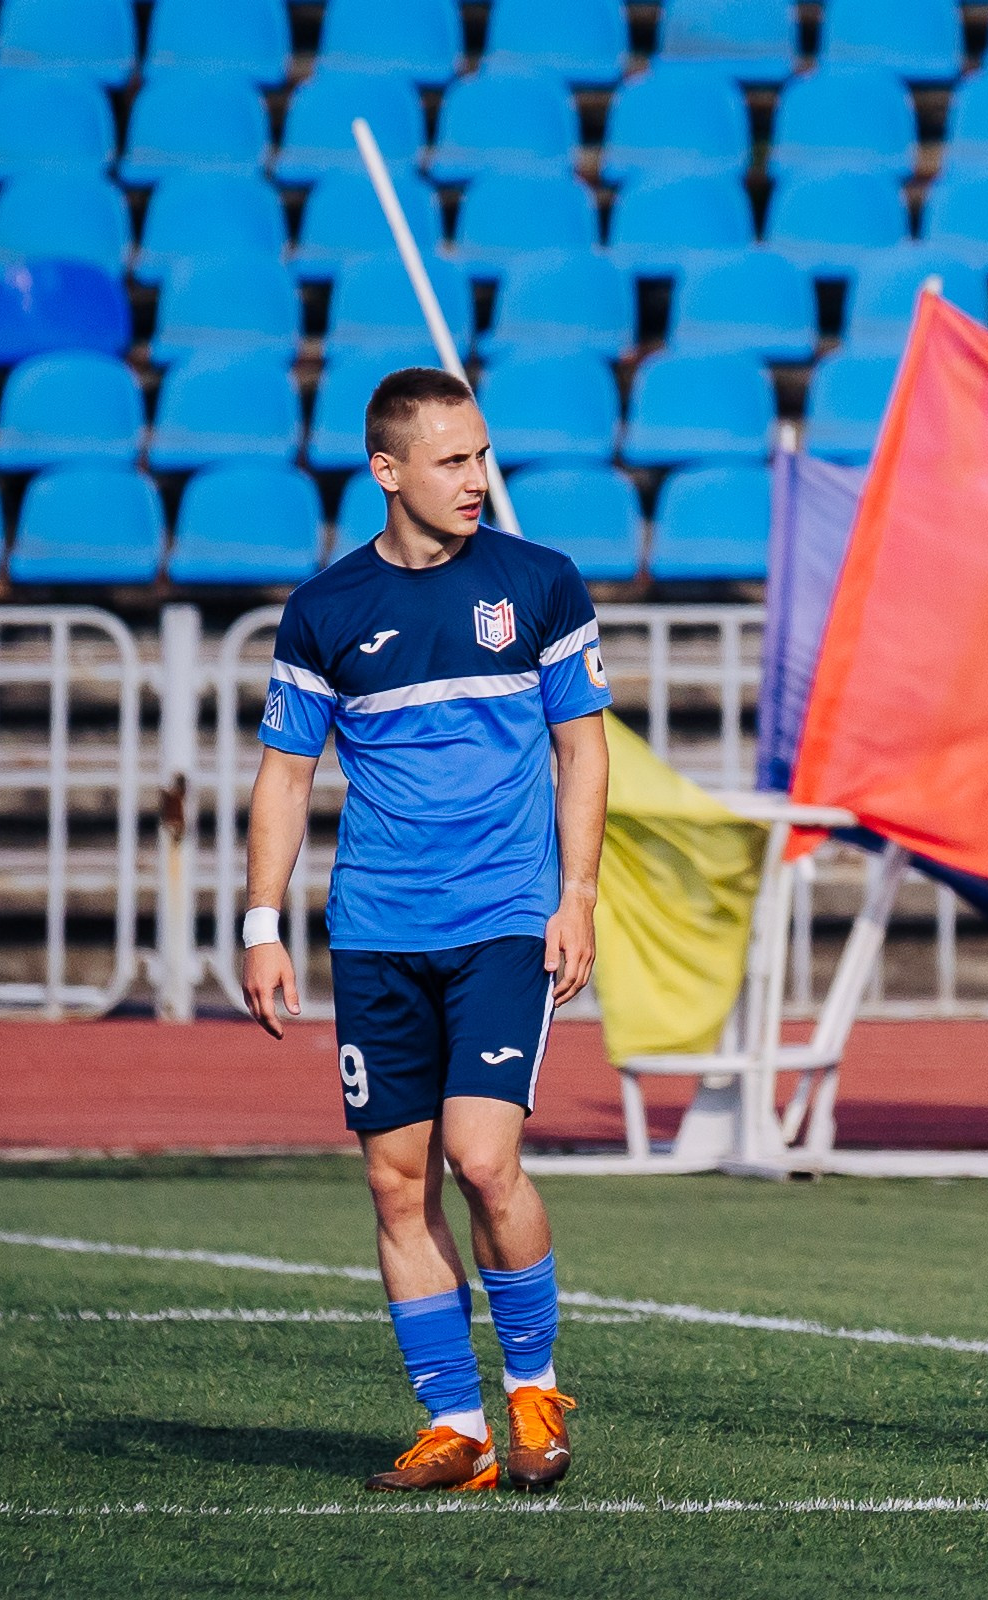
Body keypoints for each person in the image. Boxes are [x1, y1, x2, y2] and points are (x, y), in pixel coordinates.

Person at [240, 367, 612, 1493]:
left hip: (503, 920)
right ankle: (458, 1426)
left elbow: (584, 748)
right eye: (451, 460)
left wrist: (579, 895)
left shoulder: (539, 582)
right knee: (398, 1186)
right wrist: (264, 922)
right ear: (386, 471)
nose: (475, 478)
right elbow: (284, 775)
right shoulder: (327, 610)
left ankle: (536, 1390)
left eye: (482, 455)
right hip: (376, 933)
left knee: (482, 1158)